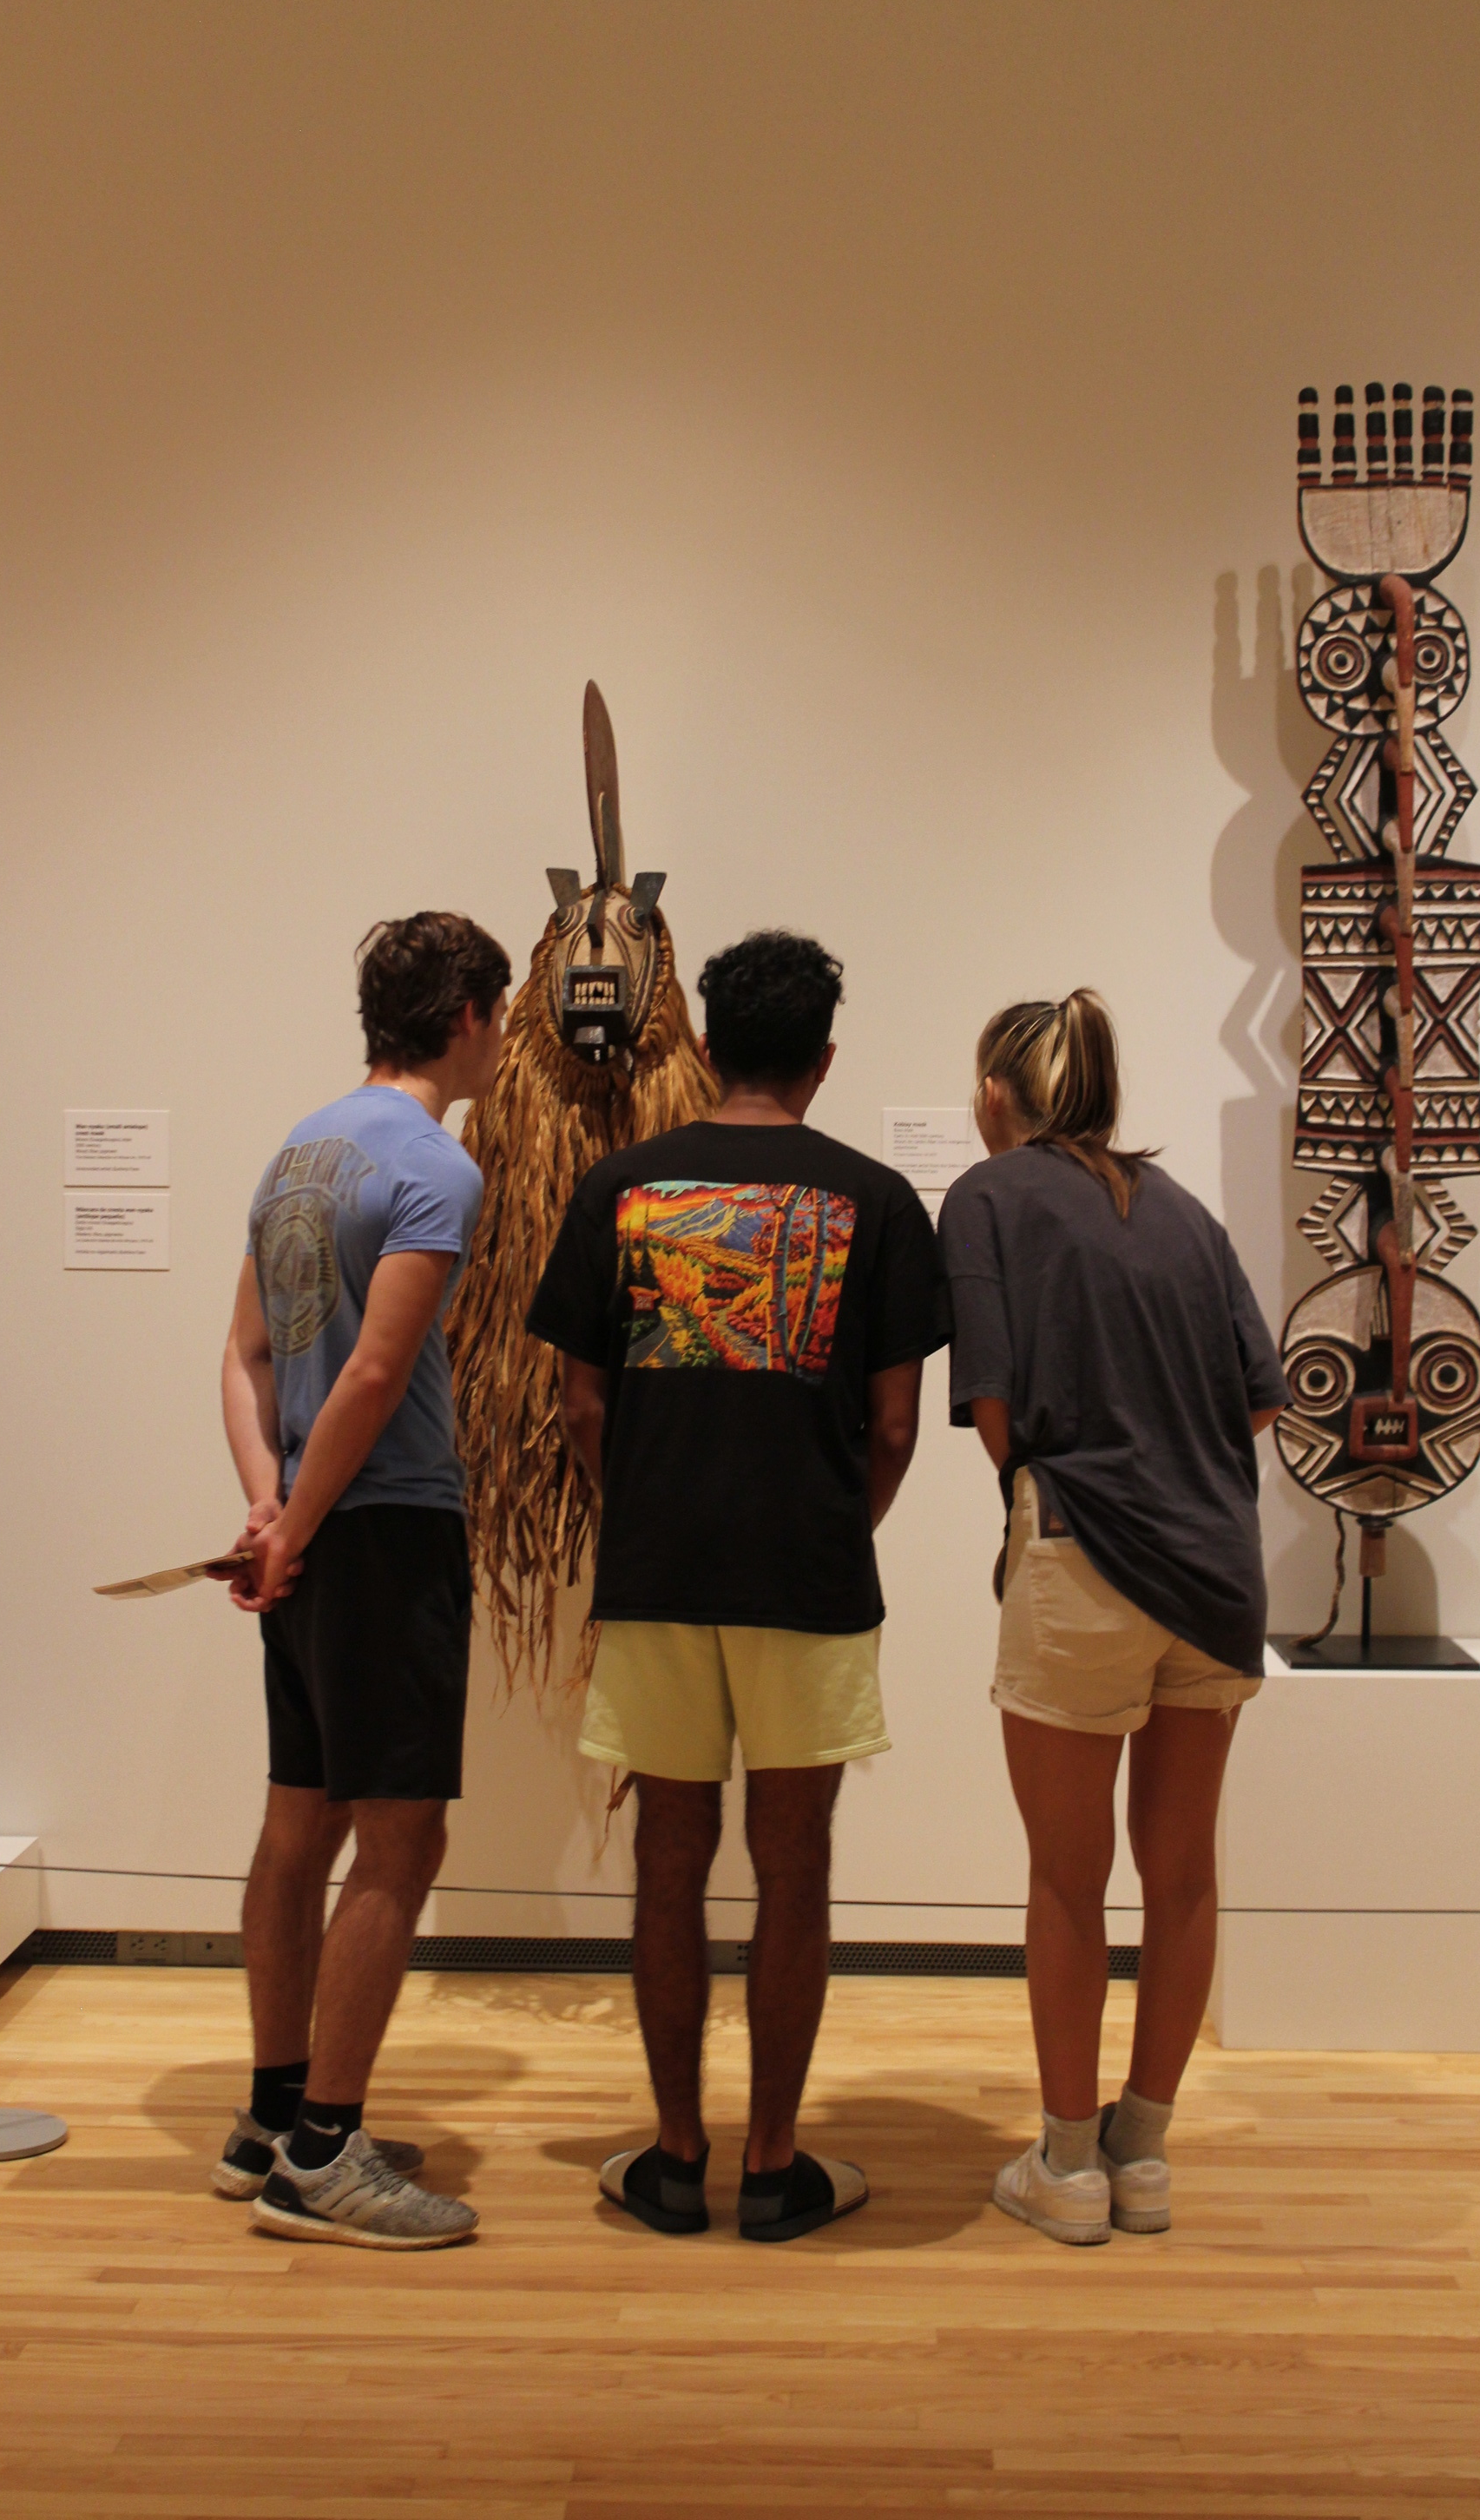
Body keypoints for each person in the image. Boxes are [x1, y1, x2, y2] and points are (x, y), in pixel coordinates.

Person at [527, 931, 950, 2242]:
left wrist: (653, 1505)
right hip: (811, 1574)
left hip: (658, 1570)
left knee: (667, 1860)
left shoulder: (620, 1187)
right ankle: (772, 2169)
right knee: (796, 1866)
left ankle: (670, 2160)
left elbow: (581, 1404)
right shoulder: (877, 1203)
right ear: (827, 1056)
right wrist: (830, 1521)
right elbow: (893, 1431)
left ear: (702, 1042)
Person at [939, 990, 1286, 2247]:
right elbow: (1261, 1400)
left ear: (997, 1093)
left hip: (1082, 1556)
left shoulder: (987, 1197)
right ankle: (1144, 2154)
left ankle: (1069, 2167)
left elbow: (989, 1401)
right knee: (1183, 1874)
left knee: (1067, 1882)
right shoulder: (1185, 1212)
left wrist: (1064, 1471)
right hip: (1218, 1573)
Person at [214, 910, 510, 2251]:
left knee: (302, 1819)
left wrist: (269, 1511)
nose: (502, 1043)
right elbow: (381, 1372)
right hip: (384, 1532)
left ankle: (270, 2116)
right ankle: (326, 2153)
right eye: (498, 1019)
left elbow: (245, 1356)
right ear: (466, 1019)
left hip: (311, 1531)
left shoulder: (300, 1151)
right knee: (399, 1837)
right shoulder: (435, 1166)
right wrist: (307, 1520)